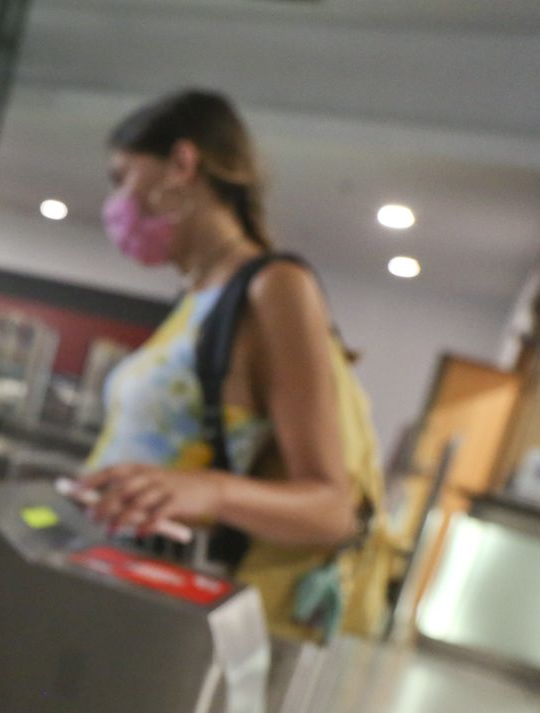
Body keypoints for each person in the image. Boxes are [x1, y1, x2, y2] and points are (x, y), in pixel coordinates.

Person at [71, 89, 381, 639]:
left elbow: (333, 507)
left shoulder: (275, 288)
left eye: (123, 177)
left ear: (182, 165)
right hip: (106, 573)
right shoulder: (195, 298)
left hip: (160, 607)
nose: (116, 201)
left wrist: (211, 491)